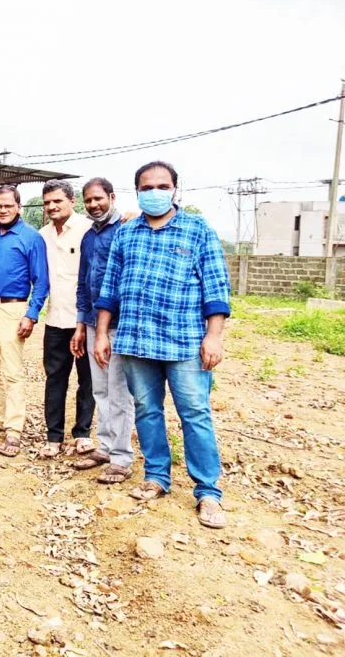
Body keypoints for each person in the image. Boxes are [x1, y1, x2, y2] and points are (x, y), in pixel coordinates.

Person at [95, 161, 231, 529]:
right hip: (137, 341)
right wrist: (103, 332)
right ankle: (157, 476)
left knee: (195, 414)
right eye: (147, 187)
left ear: (175, 189)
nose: (155, 192)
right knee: (147, 411)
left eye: (162, 185)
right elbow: (110, 289)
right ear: (137, 192)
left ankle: (208, 492)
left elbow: (216, 289)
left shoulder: (197, 230)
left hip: (184, 342)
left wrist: (213, 336)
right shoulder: (127, 233)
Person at [0, 185, 49, 457]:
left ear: (19, 207)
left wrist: (32, 313)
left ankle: (13, 430)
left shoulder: (31, 237)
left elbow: (41, 281)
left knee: (12, 371)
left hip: (12, 310)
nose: (3, 210)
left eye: (8, 205)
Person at [70, 178, 135, 483]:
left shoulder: (127, 229)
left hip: (121, 325)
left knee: (120, 391)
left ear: (112, 196)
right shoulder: (88, 237)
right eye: (88, 201)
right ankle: (106, 447)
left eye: (98, 198)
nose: (94, 205)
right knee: (101, 389)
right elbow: (83, 284)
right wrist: (82, 325)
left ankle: (122, 458)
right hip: (95, 324)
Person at [38, 179, 95, 459]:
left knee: (88, 379)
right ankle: (53, 437)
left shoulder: (88, 230)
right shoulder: (43, 235)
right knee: (55, 378)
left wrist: (85, 322)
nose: (51, 207)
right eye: (47, 202)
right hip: (55, 320)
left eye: (57, 201)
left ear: (72, 201)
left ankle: (82, 433)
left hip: (84, 320)